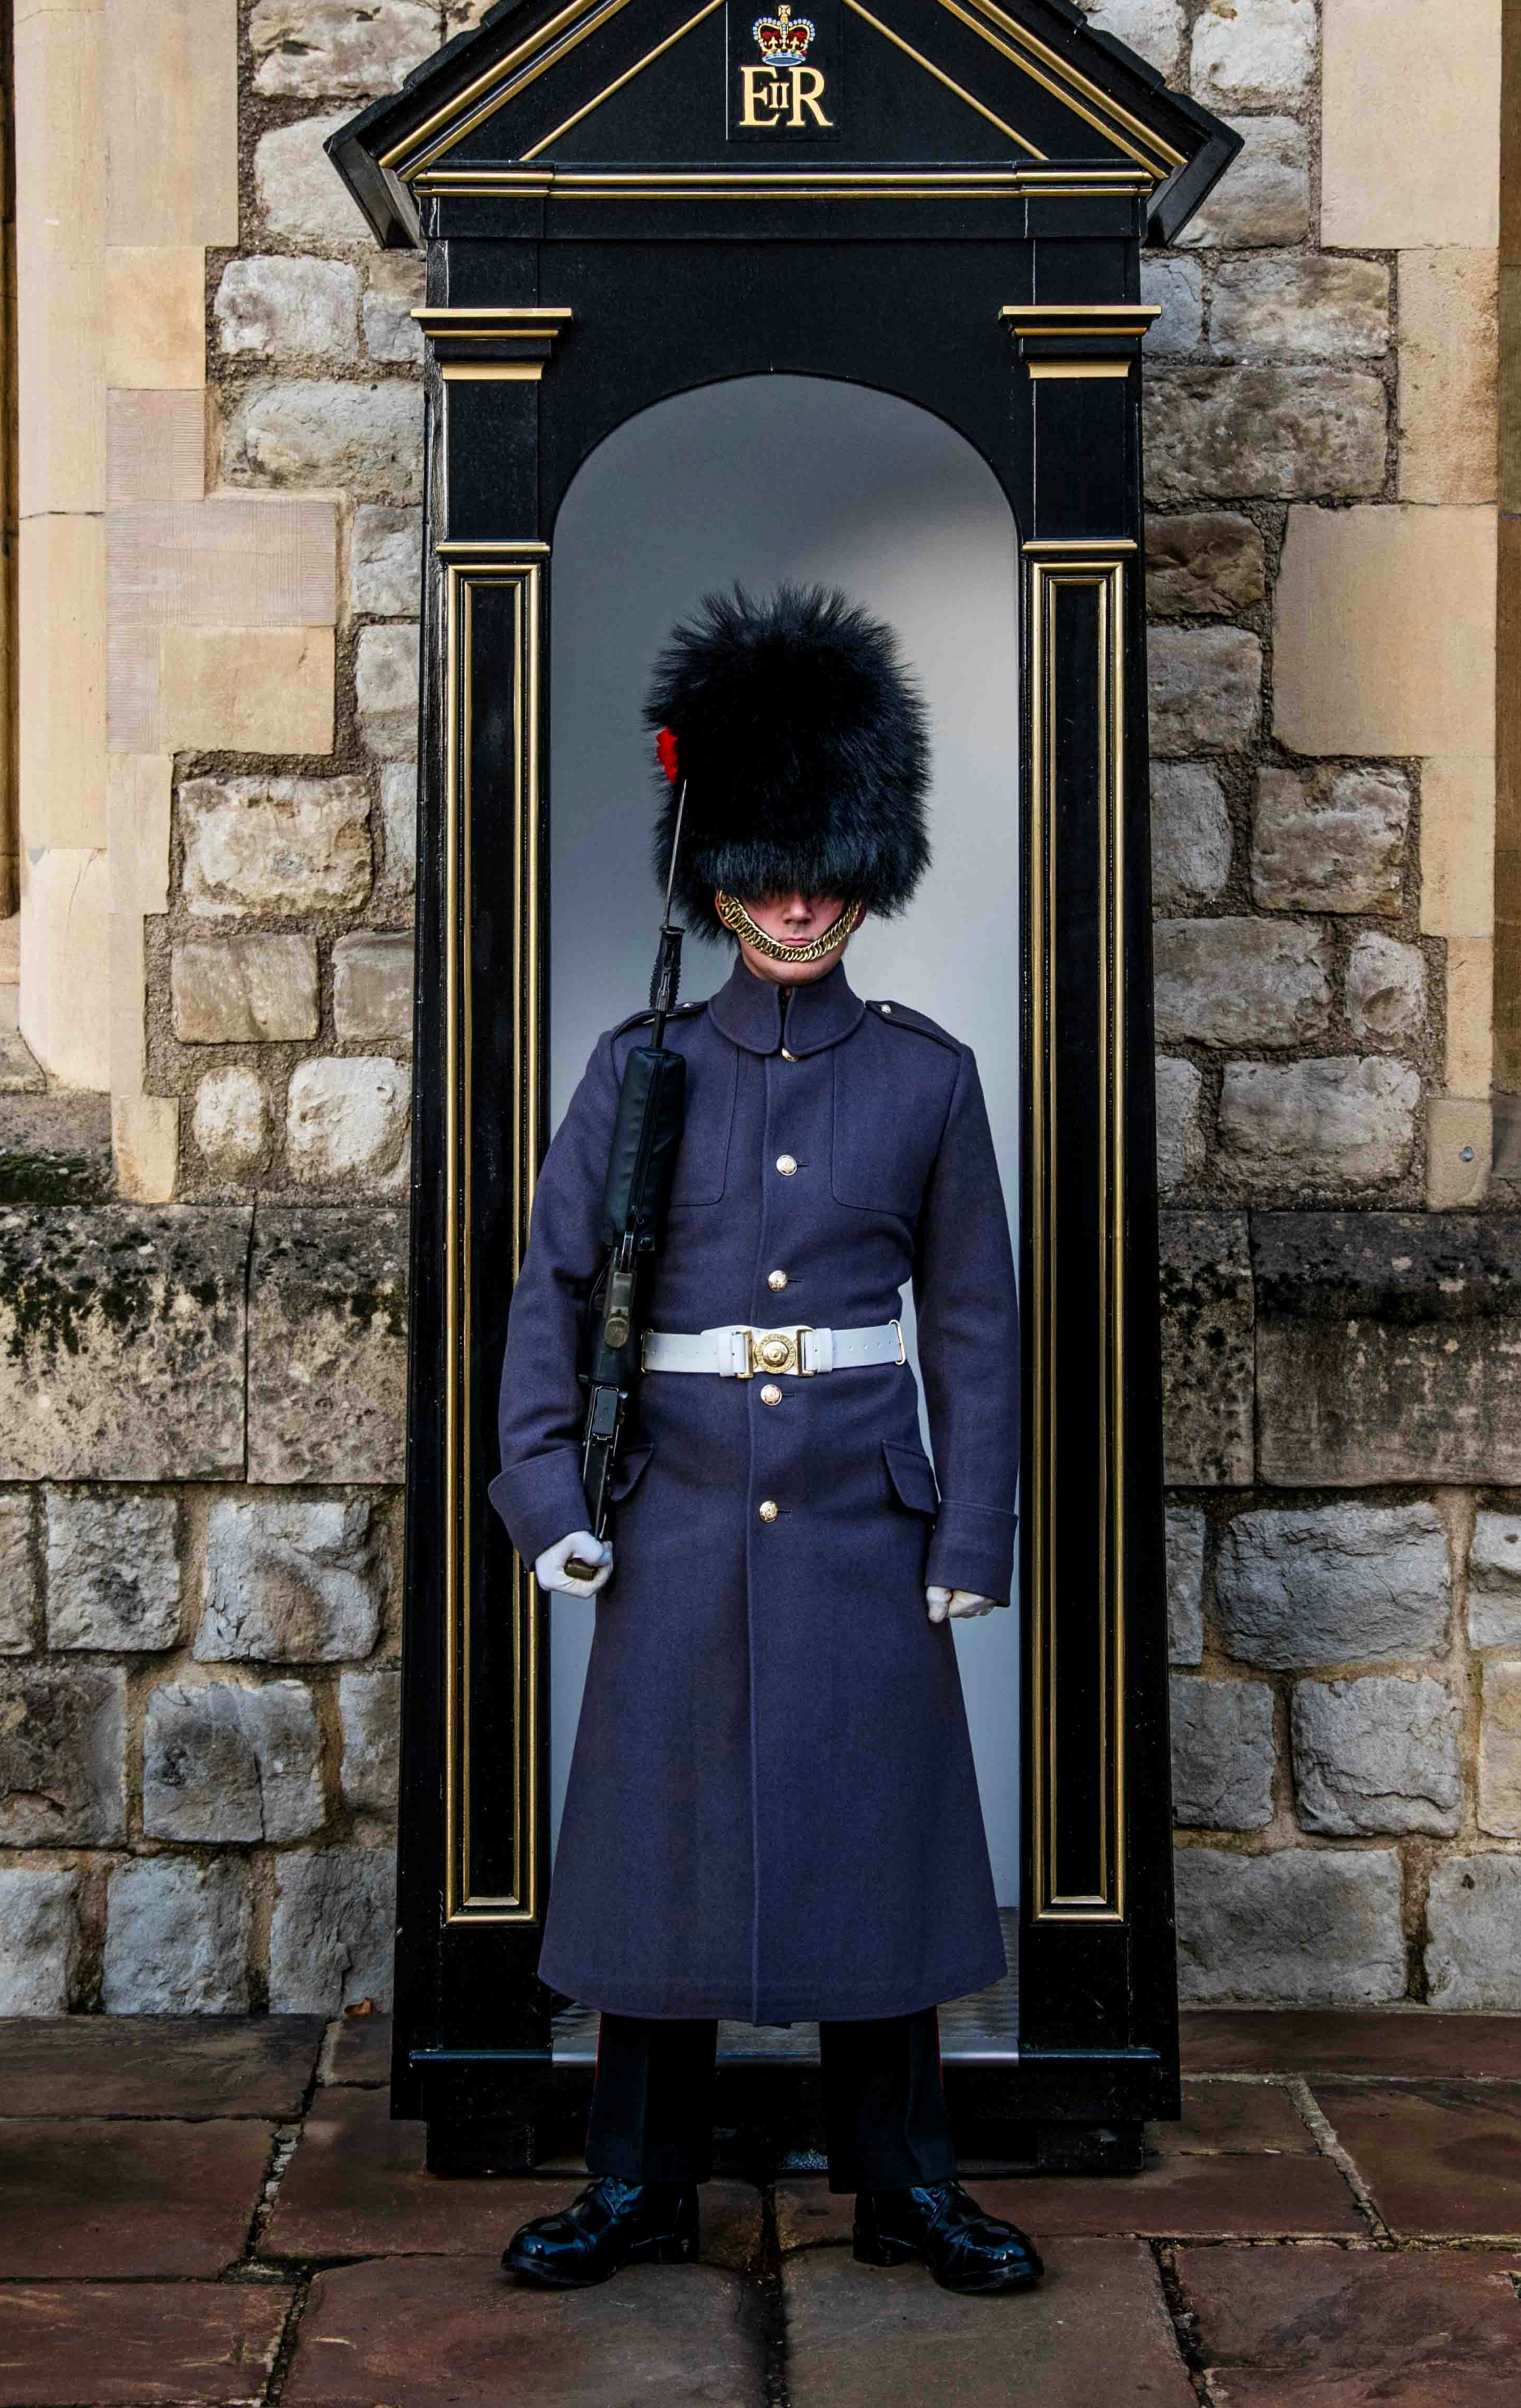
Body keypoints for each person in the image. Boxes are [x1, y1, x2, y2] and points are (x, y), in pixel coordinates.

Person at [490, 583, 1040, 2298]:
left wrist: (967, 1542)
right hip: (679, 1499)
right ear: (716, 874)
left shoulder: (922, 1079)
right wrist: (541, 1491)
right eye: (768, 870)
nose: (800, 903)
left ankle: (903, 2189)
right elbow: (554, 1290)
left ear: (864, 879)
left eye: (826, 874)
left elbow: (972, 1325)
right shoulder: (632, 1067)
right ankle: (637, 2187)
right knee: (657, 1857)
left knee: (874, 1853)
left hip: (866, 1513)